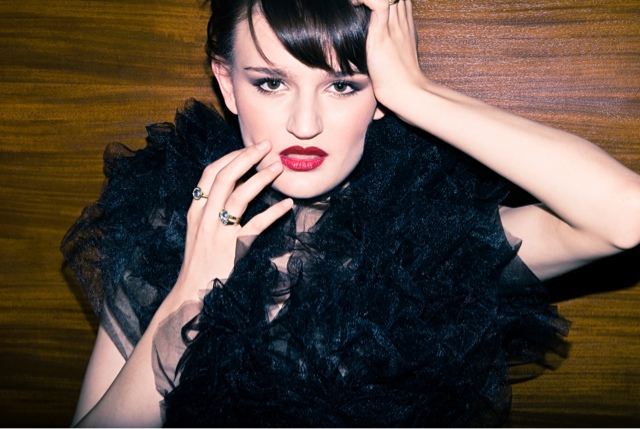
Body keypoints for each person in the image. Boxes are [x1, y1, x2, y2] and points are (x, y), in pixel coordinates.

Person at [61, 0, 640, 426]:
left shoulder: (429, 239)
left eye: (342, 86)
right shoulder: (170, 222)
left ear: (377, 93)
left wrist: (414, 93)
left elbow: (625, 216)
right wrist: (191, 289)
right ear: (227, 84)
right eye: (271, 83)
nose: (305, 124)